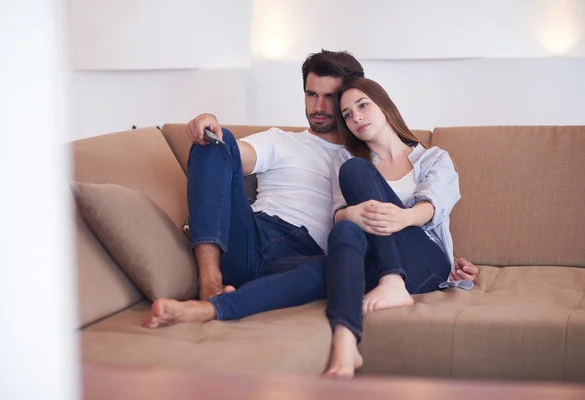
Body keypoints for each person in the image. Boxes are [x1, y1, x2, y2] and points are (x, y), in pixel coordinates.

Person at [142, 51, 478, 332]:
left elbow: (406, 213)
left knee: (334, 270)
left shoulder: (363, 161)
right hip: (251, 235)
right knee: (214, 143)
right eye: (310, 93)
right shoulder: (282, 140)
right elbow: (235, 153)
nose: (318, 106)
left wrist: (450, 256)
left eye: (330, 98)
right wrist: (212, 126)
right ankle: (210, 283)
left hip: (305, 257)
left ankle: (214, 309)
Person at [322, 77, 466, 378]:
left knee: (356, 171)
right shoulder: (346, 158)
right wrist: (353, 215)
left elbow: (433, 206)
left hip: (423, 261)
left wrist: (403, 217)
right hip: (370, 261)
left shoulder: (433, 158)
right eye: (347, 114)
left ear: (384, 105)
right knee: (346, 225)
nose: (356, 117)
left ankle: (393, 281)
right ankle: (345, 344)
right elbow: (337, 216)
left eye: (363, 105)